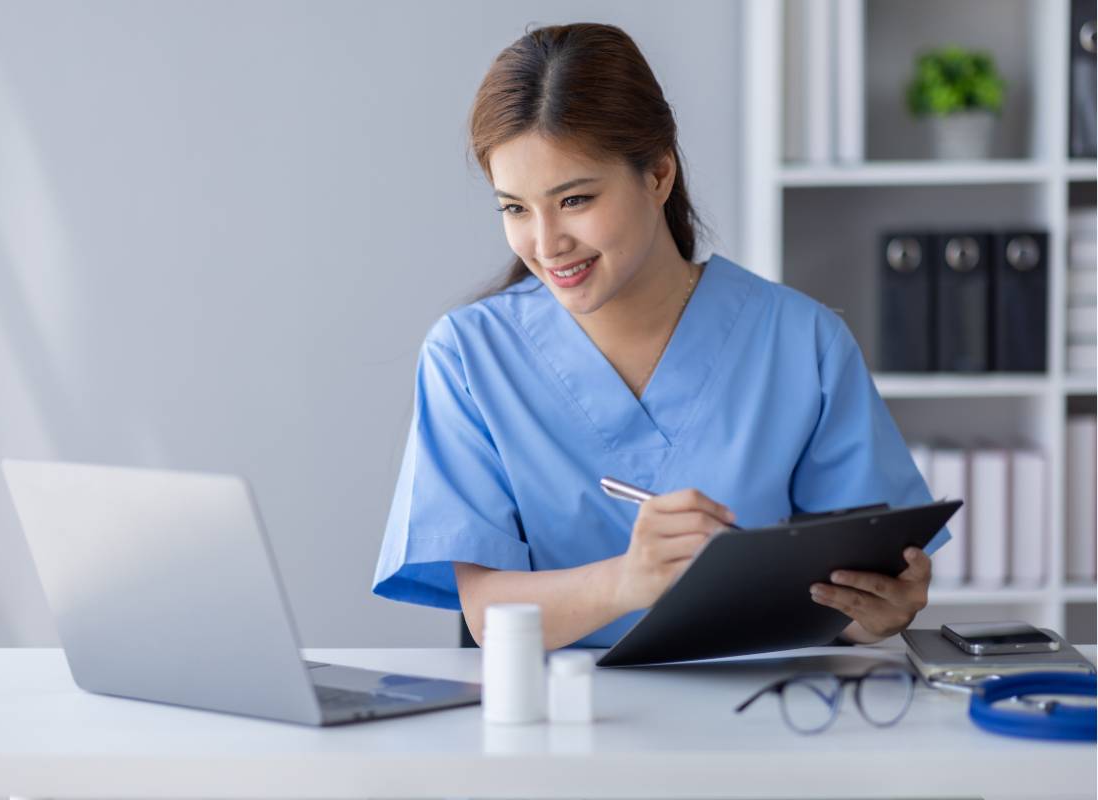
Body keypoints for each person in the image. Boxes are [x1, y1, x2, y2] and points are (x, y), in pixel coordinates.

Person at [372, 22, 949, 651]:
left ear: (658, 175)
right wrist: (631, 580)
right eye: (514, 208)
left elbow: (848, 597)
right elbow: (487, 614)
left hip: (758, 720)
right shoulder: (468, 356)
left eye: (575, 199)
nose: (545, 244)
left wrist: (880, 612)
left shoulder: (803, 341)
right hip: (553, 723)